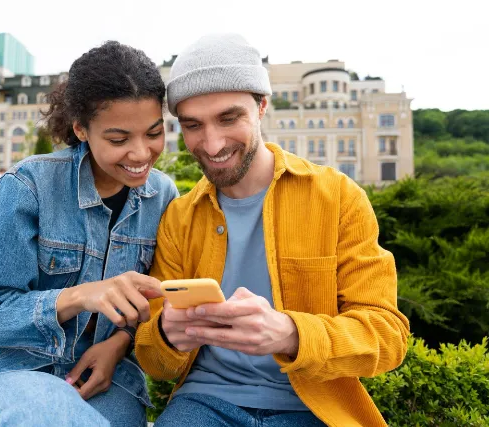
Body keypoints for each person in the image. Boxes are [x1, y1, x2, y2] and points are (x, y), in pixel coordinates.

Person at [135, 34, 410, 427]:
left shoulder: (338, 197)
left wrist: (290, 334)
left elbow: (388, 336)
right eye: (193, 125)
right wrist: (166, 333)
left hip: (315, 407)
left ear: (262, 106)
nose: (212, 144)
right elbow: (153, 360)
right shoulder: (179, 217)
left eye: (229, 118)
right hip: (203, 405)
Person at [0, 41, 178, 427]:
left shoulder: (164, 196)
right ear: (80, 129)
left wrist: (118, 344)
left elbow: (159, 303)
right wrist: (75, 297)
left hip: (108, 381)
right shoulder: (29, 185)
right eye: (119, 139)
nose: (141, 154)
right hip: (12, 371)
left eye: (154, 133)